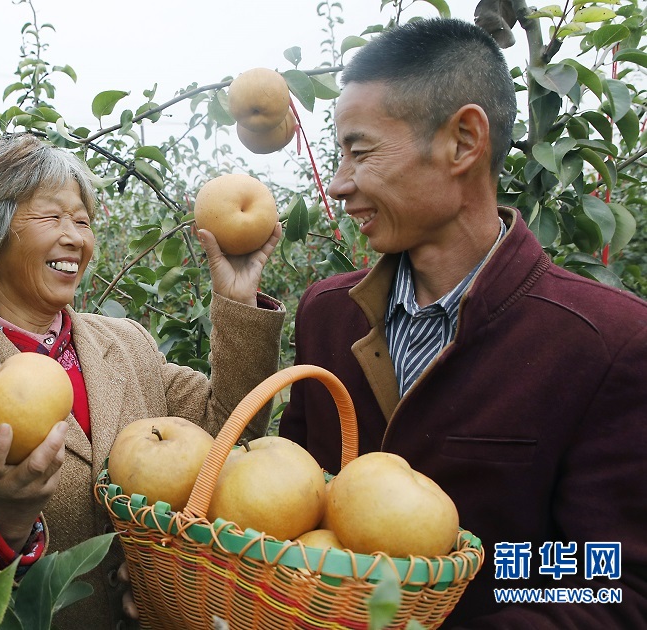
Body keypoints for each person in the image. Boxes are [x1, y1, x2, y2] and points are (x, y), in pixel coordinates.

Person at [277, 18, 647, 628]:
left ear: (463, 142)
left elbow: (613, 587)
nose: (340, 183)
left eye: (361, 150)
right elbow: (285, 507)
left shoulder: (606, 345)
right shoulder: (327, 316)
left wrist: (453, 610)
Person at [0, 133, 285, 629]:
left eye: (82, 220)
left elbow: (231, 433)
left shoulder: (126, 344)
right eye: (52, 217)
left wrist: (237, 300)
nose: (75, 237)